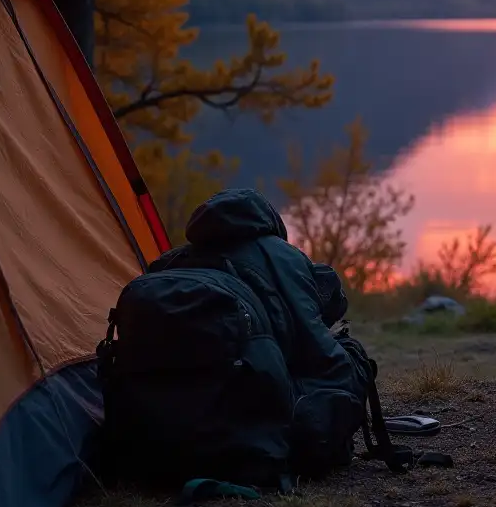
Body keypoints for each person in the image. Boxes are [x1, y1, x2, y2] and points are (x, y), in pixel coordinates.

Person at [151, 188, 370, 473]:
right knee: (351, 357)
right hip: (249, 423)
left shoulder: (170, 263)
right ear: (269, 219)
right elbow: (319, 352)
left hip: (162, 434)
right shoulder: (283, 257)